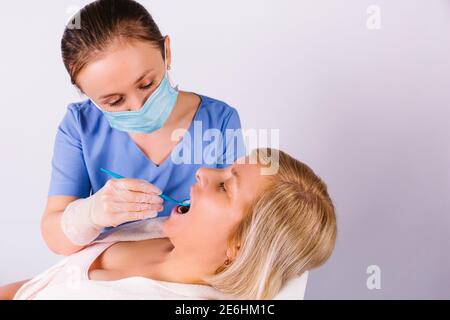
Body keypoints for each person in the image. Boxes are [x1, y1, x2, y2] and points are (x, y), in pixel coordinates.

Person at [42, 0, 245, 257]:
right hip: (108, 277)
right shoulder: (80, 126)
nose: (138, 106)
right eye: (114, 101)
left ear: (167, 52)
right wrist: (91, 214)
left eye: (147, 83)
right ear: (88, 95)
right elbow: (54, 234)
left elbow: (240, 220)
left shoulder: (219, 122)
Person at [3, 149, 337, 300]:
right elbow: (46, 284)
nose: (204, 171)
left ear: (240, 247)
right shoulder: (156, 231)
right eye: (225, 169)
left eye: (224, 186)